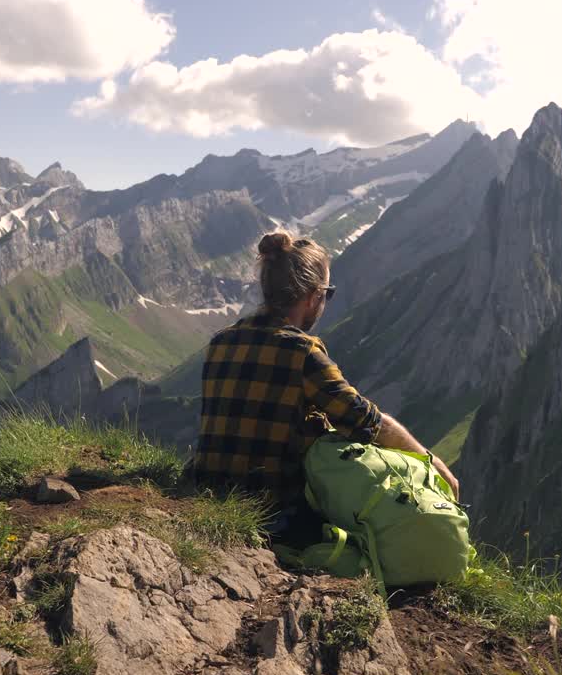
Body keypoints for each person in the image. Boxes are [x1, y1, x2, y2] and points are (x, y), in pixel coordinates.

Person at [191, 231, 460, 543]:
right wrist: (434, 465)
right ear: (312, 296)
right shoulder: (302, 352)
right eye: (327, 294)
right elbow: (366, 421)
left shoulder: (220, 342)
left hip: (205, 494)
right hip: (274, 513)